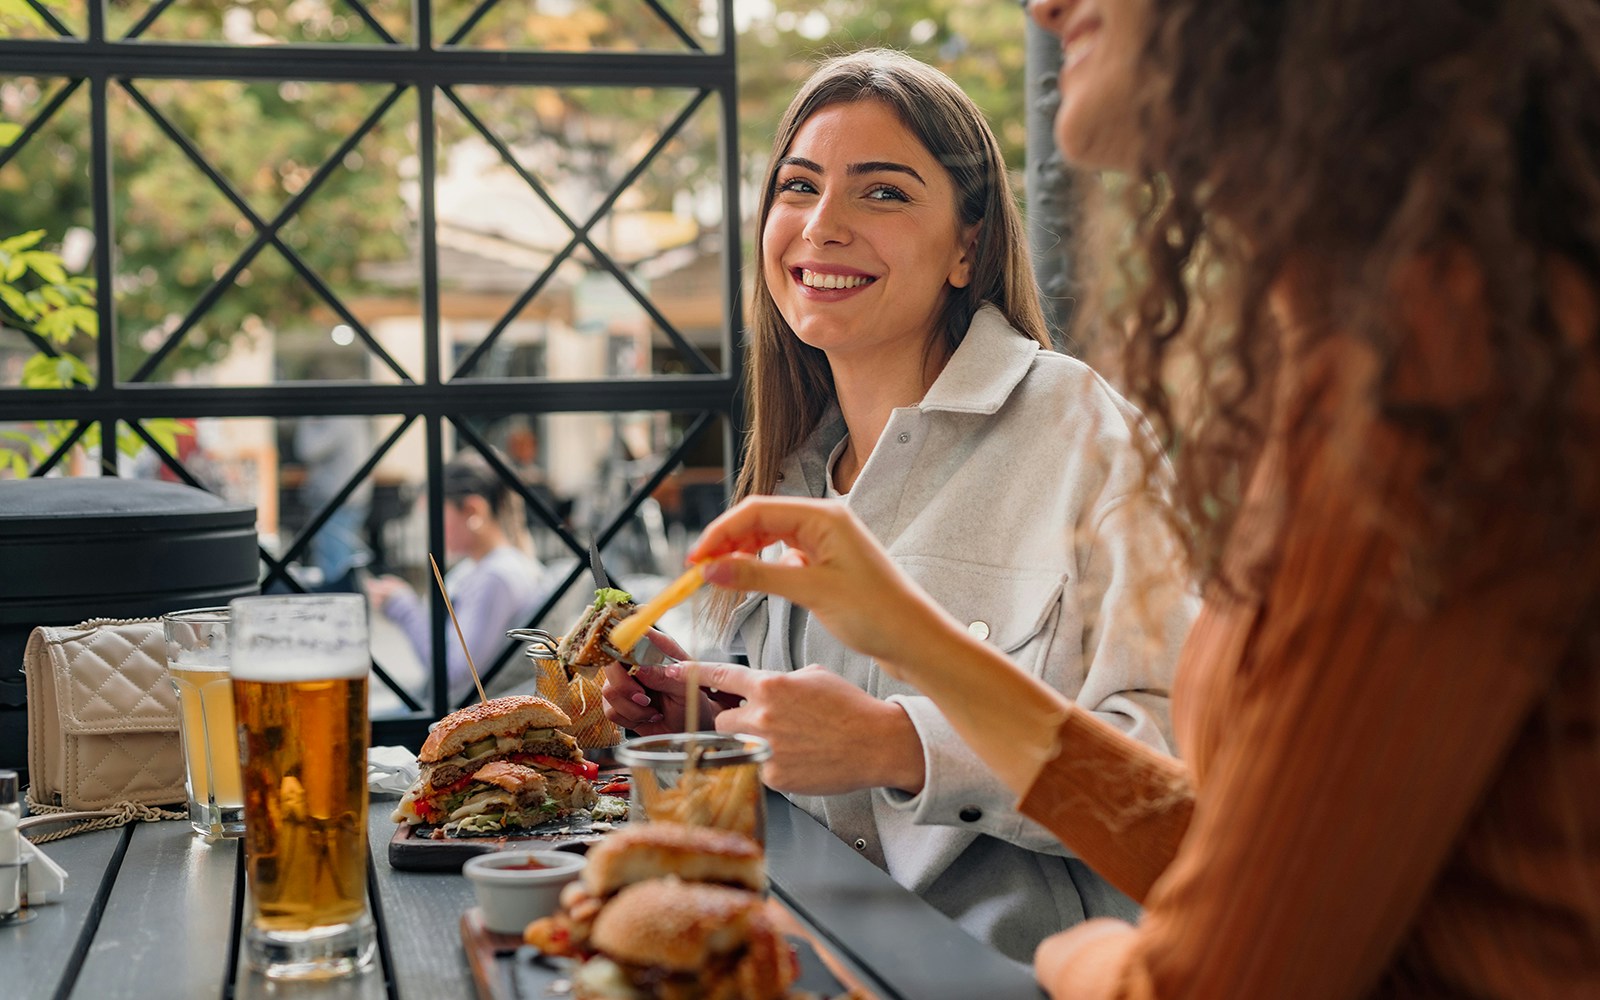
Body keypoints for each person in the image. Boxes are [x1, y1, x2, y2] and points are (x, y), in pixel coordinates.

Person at [680, 2, 1600, 997]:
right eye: (798, 186)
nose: (1043, 6)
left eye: (882, 191)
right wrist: (916, 640)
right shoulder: (1354, 344)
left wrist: (1070, 961)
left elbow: (1221, 972)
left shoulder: (1438, 369)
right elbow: (1219, 837)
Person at [602, 49, 1197, 964]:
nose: (823, 224)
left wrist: (897, 746)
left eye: (882, 193)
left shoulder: (1084, 433)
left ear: (968, 245)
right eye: (798, 186)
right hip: (811, 959)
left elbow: (1170, 780)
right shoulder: (799, 469)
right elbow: (808, 766)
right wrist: (712, 713)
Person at [367, 455, 548, 705]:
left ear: (473, 510)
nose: (431, 529)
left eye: (436, 516)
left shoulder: (495, 577)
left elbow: (454, 674)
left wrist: (403, 608)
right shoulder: (487, 566)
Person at [293, 414, 373, 592]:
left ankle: (342, 610)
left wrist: (306, 418)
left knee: (335, 566)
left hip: (337, 500)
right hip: (348, 497)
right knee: (346, 559)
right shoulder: (352, 418)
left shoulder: (339, 419)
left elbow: (307, 449)